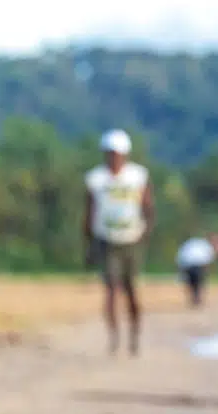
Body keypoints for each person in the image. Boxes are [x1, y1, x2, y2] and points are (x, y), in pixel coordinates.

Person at [84, 129, 153, 356]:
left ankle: (134, 335)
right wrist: (89, 245)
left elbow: (147, 206)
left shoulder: (137, 176)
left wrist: (145, 233)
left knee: (131, 289)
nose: (114, 158)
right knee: (111, 289)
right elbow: (89, 212)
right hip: (106, 239)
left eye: (118, 154)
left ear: (125, 154)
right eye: (111, 154)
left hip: (131, 239)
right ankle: (114, 338)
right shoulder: (96, 179)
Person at [175, 235, 215, 307]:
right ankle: (197, 298)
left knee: (191, 283)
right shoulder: (205, 245)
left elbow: (181, 256)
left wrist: (181, 268)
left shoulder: (187, 244)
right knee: (198, 283)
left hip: (188, 265)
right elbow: (208, 257)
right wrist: (208, 269)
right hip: (199, 265)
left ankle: (194, 298)